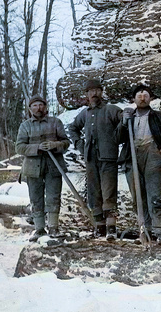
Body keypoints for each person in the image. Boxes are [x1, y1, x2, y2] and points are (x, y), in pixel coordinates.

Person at [119, 84, 161, 245]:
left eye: (146, 95)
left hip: (153, 155)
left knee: (154, 196)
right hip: (132, 157)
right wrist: (122, 123)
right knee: (138, 197)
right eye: (139, 96)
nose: (142, 98)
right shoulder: (129, 118)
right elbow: (117, 139)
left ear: (150, 99)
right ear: (133, 99)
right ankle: (145, 231)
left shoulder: (159, 116)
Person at [68, 79, 124, 238]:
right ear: (86, 94)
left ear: (102, 92)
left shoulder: (110, 109)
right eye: (90, 91)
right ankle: (99, 226)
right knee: (94, 192)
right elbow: (73, 128)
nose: (94, 94)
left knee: (109, 191)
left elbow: (124, 120)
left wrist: (124, 118)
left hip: (108, 158)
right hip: (91, 158)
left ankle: (112, 227)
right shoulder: (84, 114)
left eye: (97, 90)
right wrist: (79, 144)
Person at [15, 95, 70, 240]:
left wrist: (55, 145)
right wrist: (37, 148)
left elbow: (66, 142)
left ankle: (53, 227)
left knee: (53, 197)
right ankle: (39, 228)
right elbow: (19, 147)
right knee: (36, 199)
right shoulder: (25, 126)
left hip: (54, 166)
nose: (38, 108)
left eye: (41, 105)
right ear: (30, 109)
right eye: (35, 106)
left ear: (45, 107)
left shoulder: (55, 122)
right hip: (33, 168)